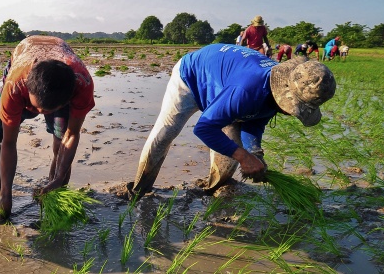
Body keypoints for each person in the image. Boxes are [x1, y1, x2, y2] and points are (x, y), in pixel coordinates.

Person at [131, 43, 336, 197]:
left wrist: (254, 152)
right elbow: (204, 128)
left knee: (228, 161)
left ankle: (211, 192)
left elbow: (255, 119)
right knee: (166, 133)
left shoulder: (277, 88)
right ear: (287, 92)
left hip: (227, 86)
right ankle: (140, 190)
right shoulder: (247, 91)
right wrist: (244, 157)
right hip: (192, 76)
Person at [0, 35, 95, 219]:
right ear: (28, 90)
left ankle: (53, 193)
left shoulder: (82, 84)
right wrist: (6, 195)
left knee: (60, 145)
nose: (38, 112)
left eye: (46, 110)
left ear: (66, 101)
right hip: (23, 61)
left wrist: (58, 179)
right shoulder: (14, 86)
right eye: (35, 107)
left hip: (59, 85)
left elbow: (71, 134)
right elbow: (9, 143)